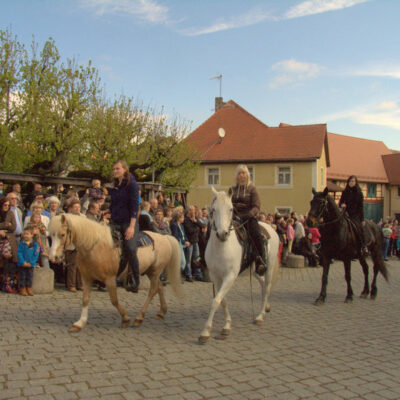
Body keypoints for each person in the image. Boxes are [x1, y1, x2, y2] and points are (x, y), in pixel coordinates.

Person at [229, 164, 266, 275]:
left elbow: (257, 205)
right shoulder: (232, 189)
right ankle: (205, 259)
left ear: (247, 175)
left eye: (244, 173)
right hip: (234, 216)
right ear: (237, 176)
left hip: (248, 218)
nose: (242, 175)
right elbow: (228, 202)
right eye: (240, 173)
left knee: (256, 234)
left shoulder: (252, 188)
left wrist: (249, 214)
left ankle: (260, 260)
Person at [109, 160, 140, 293]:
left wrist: (132, 227)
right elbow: (114, 205)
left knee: (130, 248)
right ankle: (109, 276)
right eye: (114, 169)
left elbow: (134, 206)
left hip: (129, 222)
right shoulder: (115, 185)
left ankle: (136, 281)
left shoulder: (132, 185)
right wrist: (107, 213)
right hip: (115, 221)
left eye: (118, 169)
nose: (115, 171)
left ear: (125, 170)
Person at [339, 175, 368, 253]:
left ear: (356, 182)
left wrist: (362, 219)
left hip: (355, 215)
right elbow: (340, 202)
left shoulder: (359, 193)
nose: (351, 183)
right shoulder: (345, 192)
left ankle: (363, 245)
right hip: (345, 213)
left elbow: (361, 207)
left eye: (353, 181)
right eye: (350, 181)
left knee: (359, 228)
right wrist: (342, 204)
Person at [17, 226, 40, 296]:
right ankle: (22, 288)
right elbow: (19, 253)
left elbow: (36, 254)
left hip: (31, 264)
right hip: (22, 264)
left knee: (29, 276)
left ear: (32, 235)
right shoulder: (21, 244)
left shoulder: (35, 244)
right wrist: (23, 262)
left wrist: (31, 262)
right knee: (22, 276)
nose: (25, 235)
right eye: (24, 234)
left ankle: (29, 288)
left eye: (27, 234)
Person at [170, 210, 189, 275]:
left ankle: (176, 275)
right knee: (182, 262)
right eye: (183, 217)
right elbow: (176, 236)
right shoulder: (174, 225)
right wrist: (184, 242)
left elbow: (184, 234)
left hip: (183, 243)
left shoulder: (181, 225)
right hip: (178, 243)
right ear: (179, 218)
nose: (184, 219)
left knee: (181, 262)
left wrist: (186, 240)